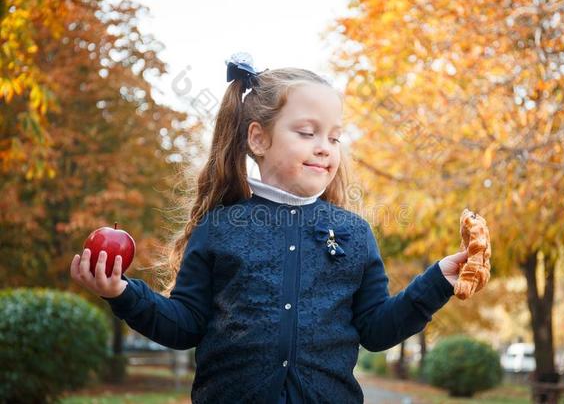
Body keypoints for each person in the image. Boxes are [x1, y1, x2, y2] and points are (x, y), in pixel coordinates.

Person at [70, 52, 468, 403]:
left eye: (335, 137)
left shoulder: (355, 234)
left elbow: (377, 330)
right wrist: (123, 293)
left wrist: (437, 281)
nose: (325, 147)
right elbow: (185, 324)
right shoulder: (221, 228)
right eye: (307, 132)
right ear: (258, 139)